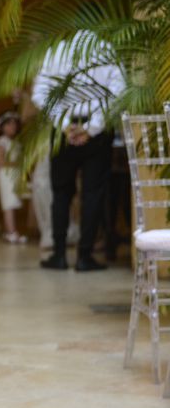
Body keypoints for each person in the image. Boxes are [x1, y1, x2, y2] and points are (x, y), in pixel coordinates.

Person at [32, 32, 125, 271]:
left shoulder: (57, 51)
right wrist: (92, 127)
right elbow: (118, 92)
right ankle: (85, 256)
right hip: (97, 132)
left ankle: (60, 254)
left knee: (61, 193)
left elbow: (40, 93)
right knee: (93, 194)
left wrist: (65, 125)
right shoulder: (105, 49)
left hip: (64, 131)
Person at [0, 111, 28, 244]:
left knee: (13, 202)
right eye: (9, 125)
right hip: (6, 175)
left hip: (15, 175)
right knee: (8, 203)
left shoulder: (16, 141)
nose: (12, 127)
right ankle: (11, 232)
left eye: (14, 125)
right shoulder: (2, 141)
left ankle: (13, 230)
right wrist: (17, 164)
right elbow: (1, 162)